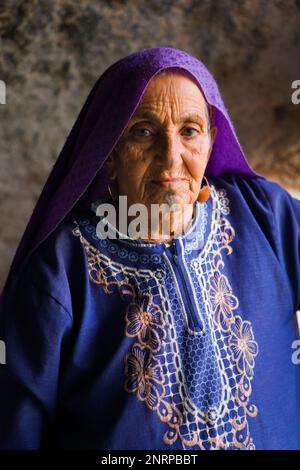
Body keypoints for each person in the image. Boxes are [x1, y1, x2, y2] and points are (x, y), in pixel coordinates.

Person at [0, 47, 299, 450]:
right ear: (108, 154)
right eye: (143, 131)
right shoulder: (60, 270)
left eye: (189, 131)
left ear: (210, 142)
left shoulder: (263, 215)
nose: (171, 157)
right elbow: (17, 428)